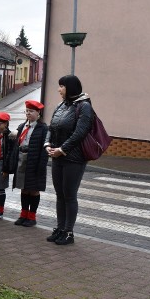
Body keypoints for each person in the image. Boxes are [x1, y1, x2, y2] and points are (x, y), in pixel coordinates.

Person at [44, 75, 93, 245]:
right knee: (60, 194)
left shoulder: (84, 106)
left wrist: (62, 149)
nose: (59, 90)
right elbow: (51, 126)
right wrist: (47, 144)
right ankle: (60, 228)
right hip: (57, 156)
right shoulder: (61, 105)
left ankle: (68, 232)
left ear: (71, 88)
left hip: (73, 159)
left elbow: (80, 133)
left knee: (69, 195)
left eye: (62, 86)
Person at [10, 100, 48, 227]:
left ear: (38, 113)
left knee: (33, 190)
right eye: (26, 111)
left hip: (34, 162)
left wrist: (41, 165)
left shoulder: (43, 128)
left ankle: (32, 217)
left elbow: (45, 149)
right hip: (22, 161)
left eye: (31, 111)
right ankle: (23, 214)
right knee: (24, 189)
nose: (28, 113)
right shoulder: (22, 126)